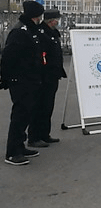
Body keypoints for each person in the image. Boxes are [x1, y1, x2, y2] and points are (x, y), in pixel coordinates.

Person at [0, 1, 45, 165]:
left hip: (30, 80)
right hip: (20, 81)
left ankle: (20, 145)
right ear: (36, 16)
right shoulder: (20, 32)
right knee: (19, 115)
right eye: (40, 15)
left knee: (26, 114)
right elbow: (8, 57)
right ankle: (12, 153)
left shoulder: (31, 30)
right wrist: (6, 78)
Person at [28, 9, 67, 147]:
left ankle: (45, 134)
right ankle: (34, 137)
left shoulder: (52, 32)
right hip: (44, 75)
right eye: (57, 19)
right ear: (52, 20)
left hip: (53, 75)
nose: (59, 21)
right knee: (39, 106)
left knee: (48, 106)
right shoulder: (41, 33)